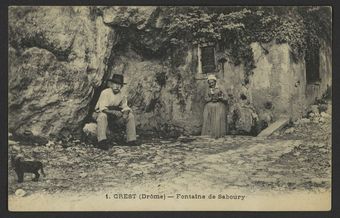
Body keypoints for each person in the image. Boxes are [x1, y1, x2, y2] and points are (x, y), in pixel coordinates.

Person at [93, 74, 137, 150]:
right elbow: (102, 108)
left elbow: (125, 106)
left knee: (130, 116)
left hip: (113, 117)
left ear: (121, 86)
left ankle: (131, 140)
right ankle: (102, 141)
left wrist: (125, 113)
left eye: (119, 85)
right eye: (115, 84)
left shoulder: (122, 94)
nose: (117, 86)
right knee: (102, 116)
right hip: (100, 113)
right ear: (111, 84)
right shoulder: (105, 92)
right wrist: (114, 112)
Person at [201, 74, 227, 138]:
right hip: (210, 105)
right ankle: (210, 134)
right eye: (209, 83)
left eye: (212, 82)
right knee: (208, 118)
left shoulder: (220, 87)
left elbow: (226, 97)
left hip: (219, 105)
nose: (211, 84)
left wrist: (220, 98)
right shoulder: (208, 89)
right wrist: (211, 99)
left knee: (217, 119)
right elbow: (205, 98)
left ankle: (218, 134)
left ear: (215, 82)